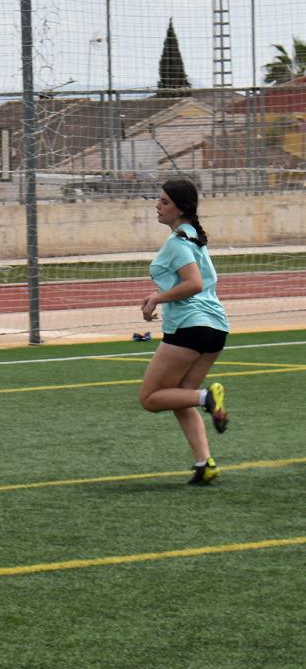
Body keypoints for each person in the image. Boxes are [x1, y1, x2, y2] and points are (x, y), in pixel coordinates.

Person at [138, 178, 229, 485]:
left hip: (191, 327)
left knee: (150, 398)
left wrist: (156, 298)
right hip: (216, 329)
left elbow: (193, 284)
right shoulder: (193, 236)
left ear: (180, 208)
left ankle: (207, 397)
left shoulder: (178, 242)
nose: (157, 206)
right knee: (179, 397)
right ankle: (205, 463)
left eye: (164, 202)